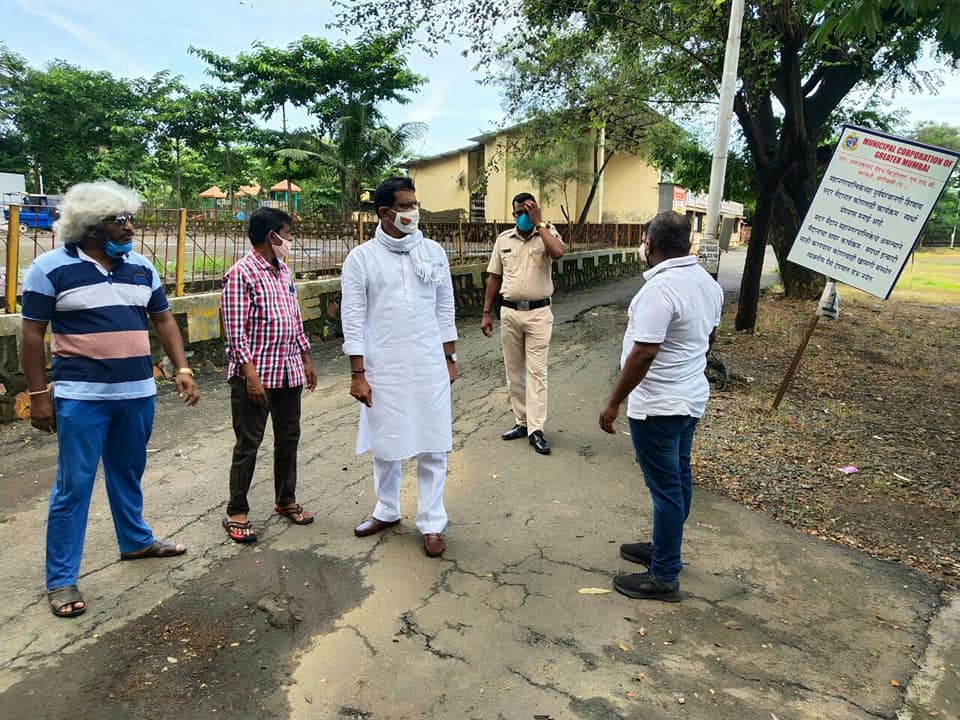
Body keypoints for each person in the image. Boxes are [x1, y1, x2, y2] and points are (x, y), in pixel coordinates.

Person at [20, 180, 200, 619]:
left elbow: (164, 320)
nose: (129, 226)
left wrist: (181, 368)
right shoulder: (50, 268)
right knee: (73, 485)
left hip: (137, 392)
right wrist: (40, 395)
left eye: (129, 218)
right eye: (119, 220)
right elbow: (31, 335)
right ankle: (61, 578)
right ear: (89, 227)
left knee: (129, 472)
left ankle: (135, 541)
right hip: (81, 398)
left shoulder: (141, 267)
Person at [599, 211, 724, 602]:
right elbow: (709, 336)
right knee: (678, 478)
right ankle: (664, 546)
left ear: (649, 244)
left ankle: (665, 574)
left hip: (658, 405)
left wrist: (613, 402)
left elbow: (644, 353)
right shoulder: (707, 283)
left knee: (666, 489)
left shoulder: (660, 289)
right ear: (687, 243)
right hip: (688, 399)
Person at [340, 176, 457, 558]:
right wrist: (358, 373)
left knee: (433, 443)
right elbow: (353, 317)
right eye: (405, 206)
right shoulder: (362, 258)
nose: (413, 212)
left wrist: (449, 357)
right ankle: (387, 510)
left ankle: (432, 521)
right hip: (382, 364)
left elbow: (445, 307)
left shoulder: (434, 252)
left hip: (428, 362)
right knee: (386, 444)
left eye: (414, 204)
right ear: (385, 212)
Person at [220, 207, 317, 543]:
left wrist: (305, 359)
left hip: (288, 371)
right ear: (271, 236)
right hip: (256, 376)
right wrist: (250, 376)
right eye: (287, 234)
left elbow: (294, 319)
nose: (290, 240)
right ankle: (237, 510)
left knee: (288, 438)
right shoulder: (240, 275)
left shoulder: (283, 272)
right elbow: (235, 333)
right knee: (249, 443)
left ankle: (285, 500)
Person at [481, 193, 564, 455]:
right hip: (510, 313)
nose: (523, 216)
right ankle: (522, 421)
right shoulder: (504, 239)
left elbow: (559, 253)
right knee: (514, 370)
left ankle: (536, 429)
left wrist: (540, 224)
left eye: (528, 210)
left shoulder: (548, 233)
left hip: (539, 314)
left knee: (537, 372)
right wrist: (485, 313)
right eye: (519, 212)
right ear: (513, 213)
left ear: (536, 210)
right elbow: (494, 277)